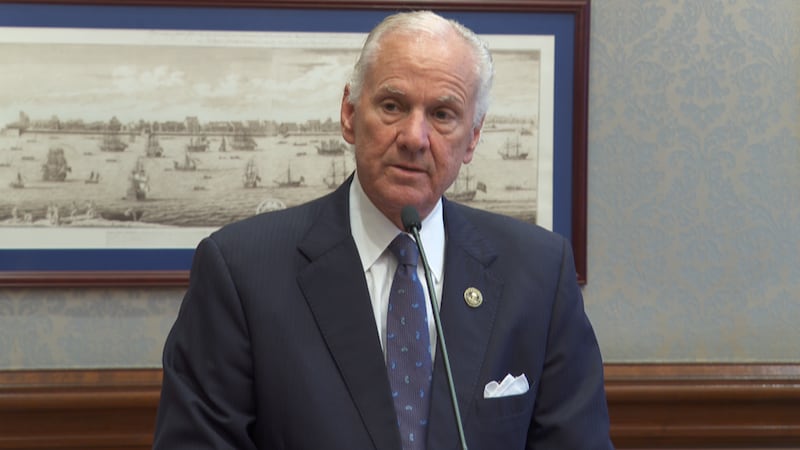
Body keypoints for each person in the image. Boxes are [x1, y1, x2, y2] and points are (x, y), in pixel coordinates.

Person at [153, 10, 613, 450]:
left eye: (442, 114)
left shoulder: (539, 272)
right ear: (350, 115)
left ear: (472, 137)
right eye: (393, 105)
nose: (414, 137)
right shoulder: (241, 272)